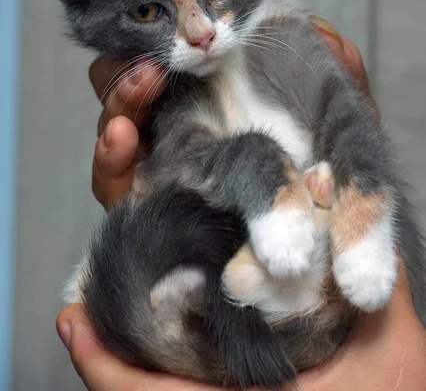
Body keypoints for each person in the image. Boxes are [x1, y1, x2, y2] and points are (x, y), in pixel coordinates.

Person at [56, 19, 426, 390]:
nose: (199, 32)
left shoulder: (282, 41)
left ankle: (245, 281)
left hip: (293, 305)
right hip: (253, 306)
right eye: (148, 11)